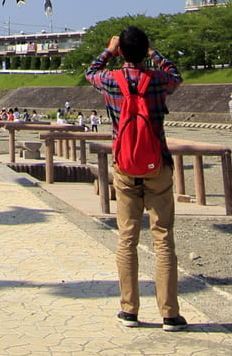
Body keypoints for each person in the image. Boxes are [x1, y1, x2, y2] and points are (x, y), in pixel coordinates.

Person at [86, 26, 186, 332]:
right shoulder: (158, 80)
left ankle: (129, 309)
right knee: (163, 239)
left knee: (127, 239)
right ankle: (169, 313)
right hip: (158, 165)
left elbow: (91, 71)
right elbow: (176, 75)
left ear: (120, 52)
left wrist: (109, 50)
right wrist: (153, 52)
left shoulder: (109, 81)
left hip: (126, 167)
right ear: (145, 51)